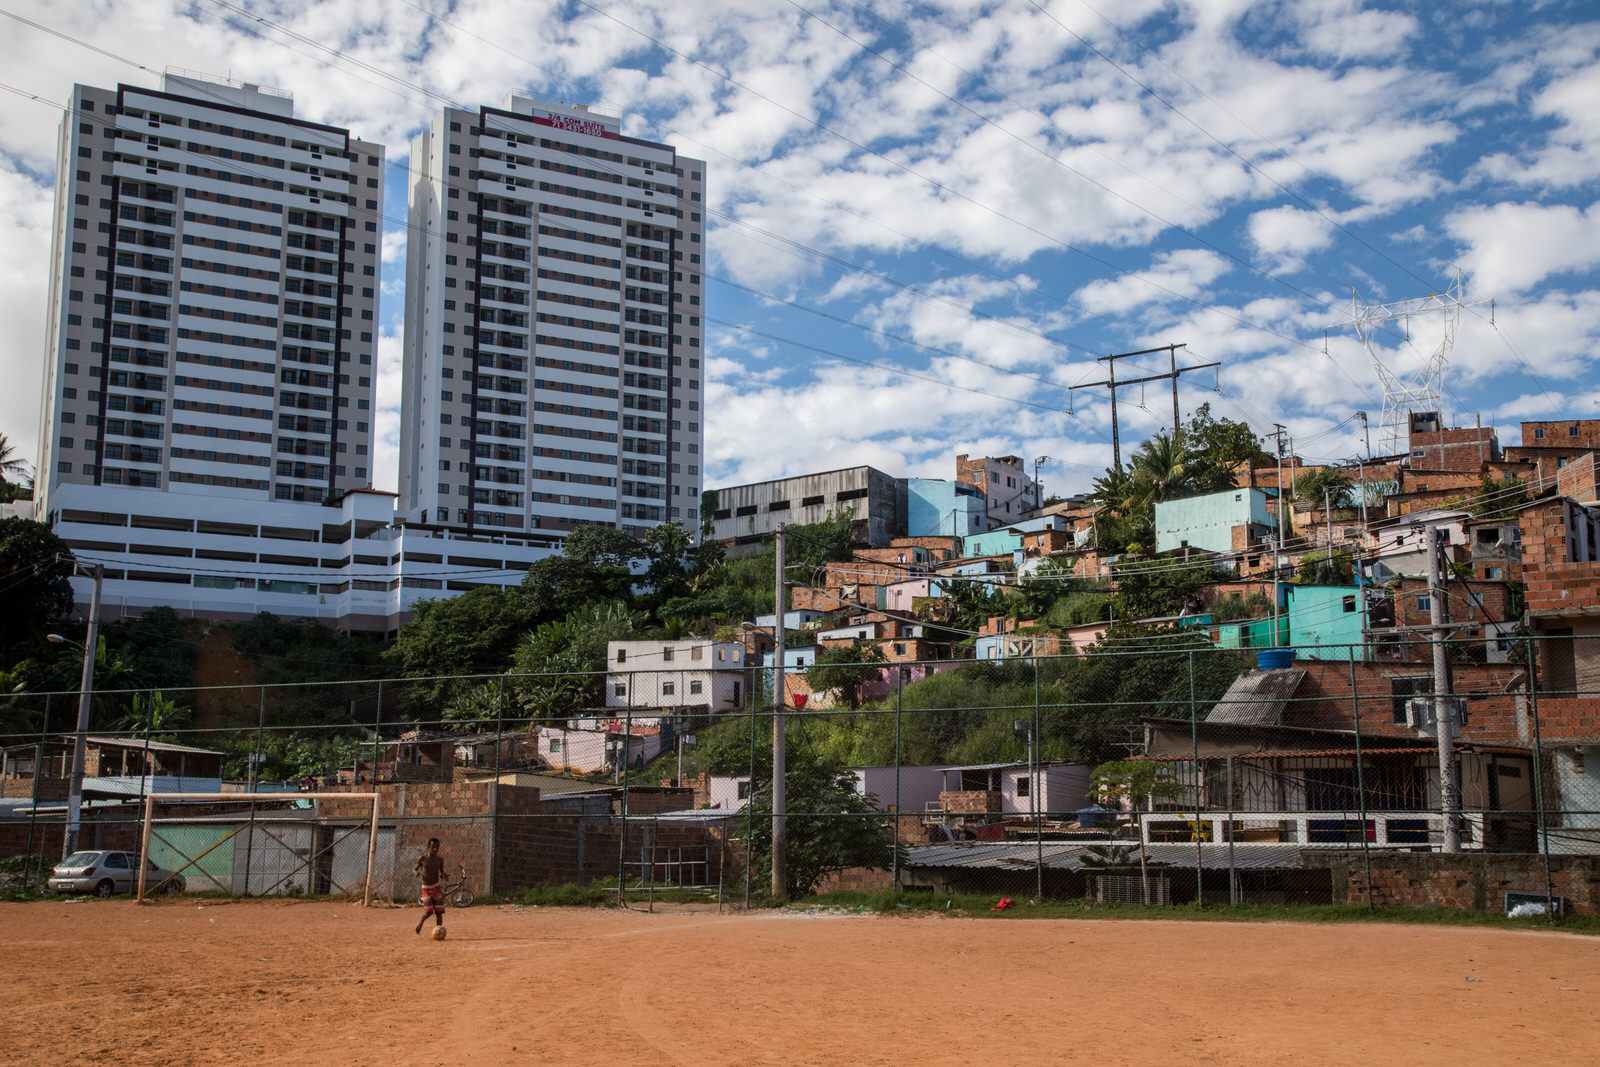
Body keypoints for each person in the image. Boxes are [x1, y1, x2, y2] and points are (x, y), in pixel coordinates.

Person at [414, 837, 448, 935]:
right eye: (433, 847)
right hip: (426, 888)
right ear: (428, 847)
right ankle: (420, 923)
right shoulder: (423, 859)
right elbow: (415, 869)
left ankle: (439, 931)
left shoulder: (439, 860)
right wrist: (416, 873)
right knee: (429, 912)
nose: (435, 849)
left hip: (436, 887)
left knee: (439, 913)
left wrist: (444, 876)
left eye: (437, 847)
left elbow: (442, 872)